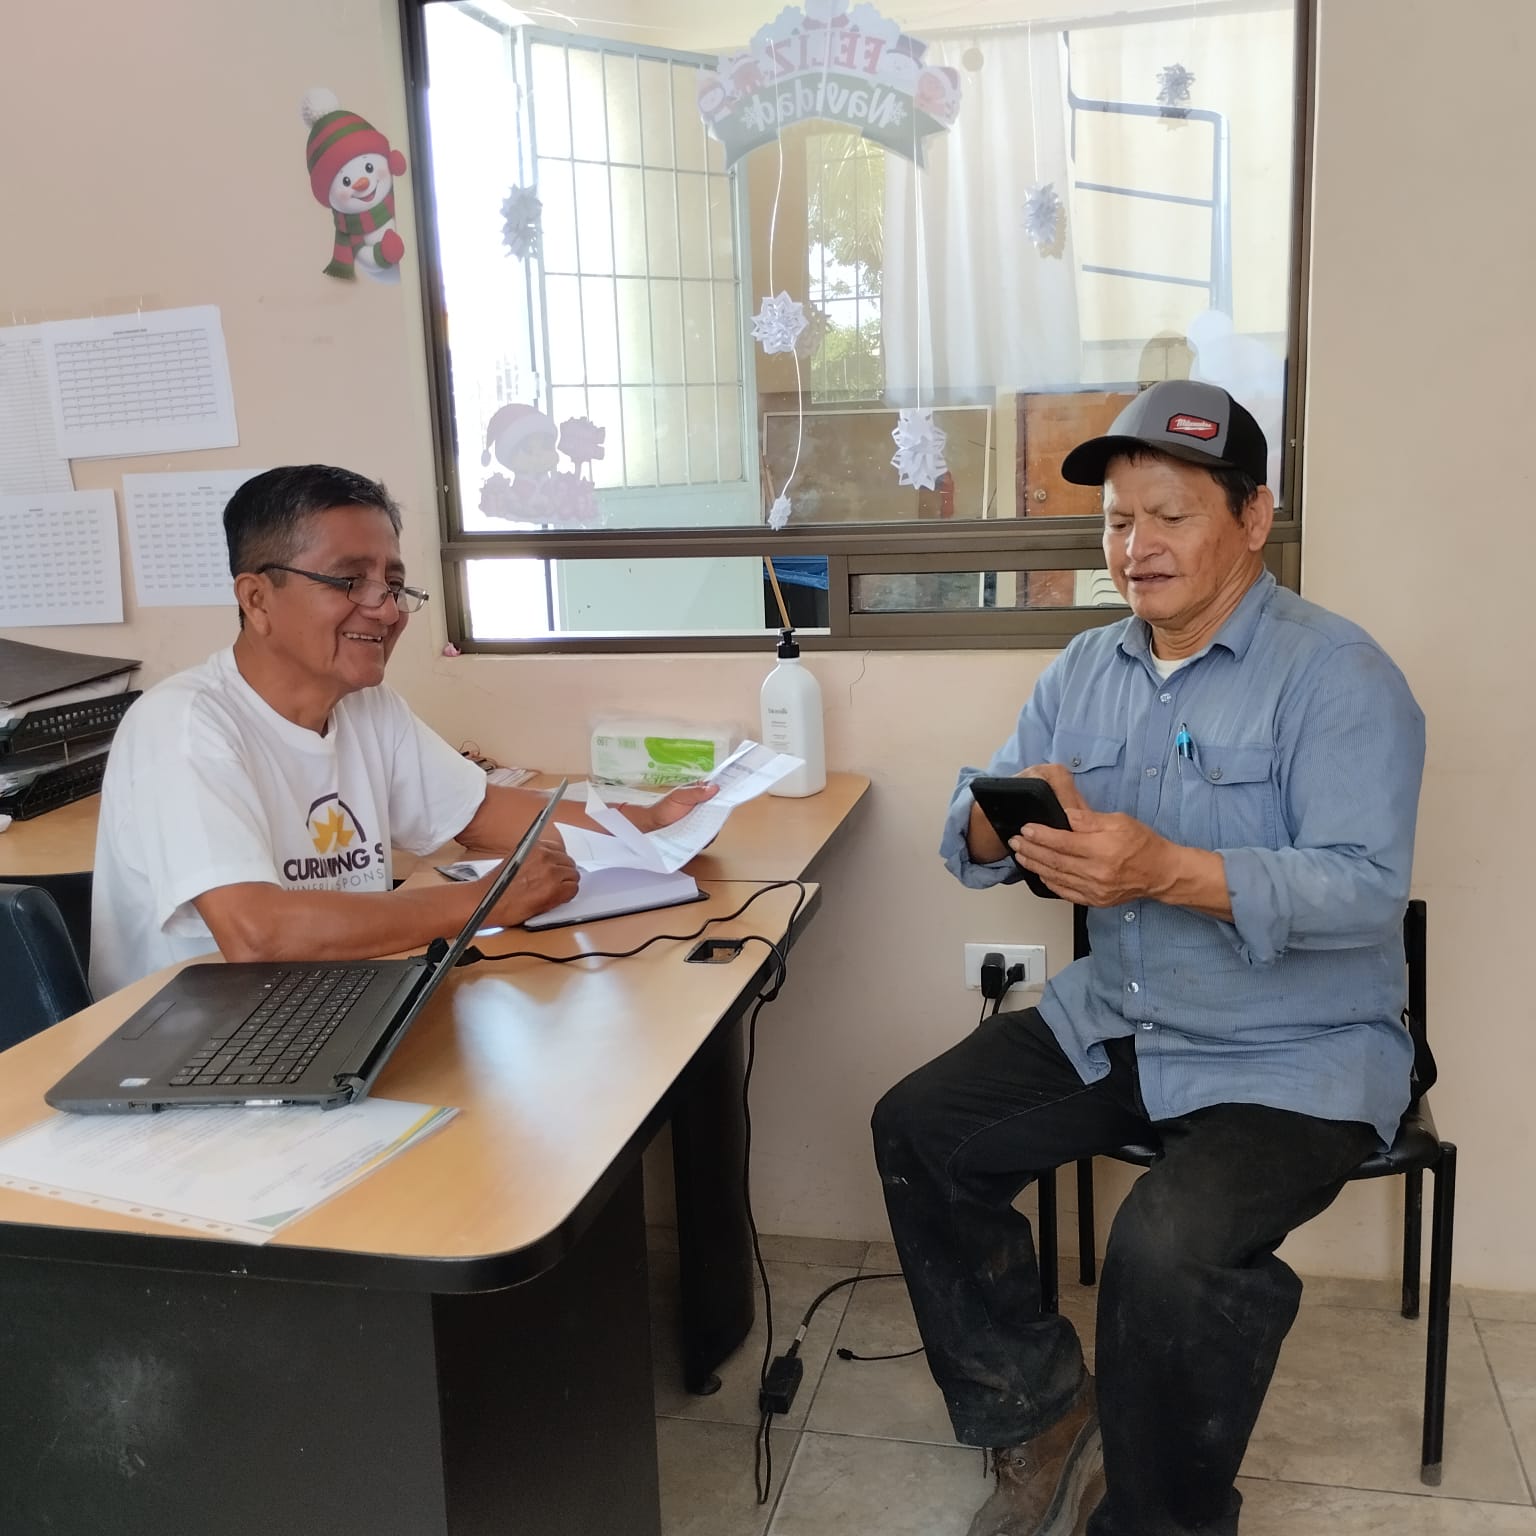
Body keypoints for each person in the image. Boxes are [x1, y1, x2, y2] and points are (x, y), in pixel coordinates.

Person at [871, 381, 1425, 1536]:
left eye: (1170, 515)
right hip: (1123, 1018)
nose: (1138, 546)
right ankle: (1044, 1413)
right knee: (921, 1128)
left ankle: (1160, 1518)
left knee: (1166, 1249)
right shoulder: (1083, 668)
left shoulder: (1341, 676)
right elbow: (969, 833)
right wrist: (1003, 821)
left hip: (1295, 1054)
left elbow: (1365, 890)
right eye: (1119, 521)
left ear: (1254, 517)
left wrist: (1167, 868)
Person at [89, 464, 716, 996]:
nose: (386, 609)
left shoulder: (367, 706)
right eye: (349, 581)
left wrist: (647, 823)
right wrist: (485, 901)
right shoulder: (184, 727)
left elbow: (480, 814)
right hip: (198, 1044)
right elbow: (258, 935)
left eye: (393, 584)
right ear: (257, 599)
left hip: (329, 1001)